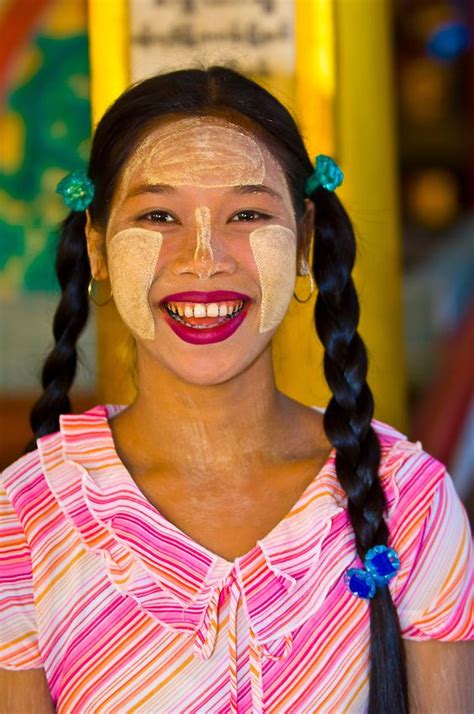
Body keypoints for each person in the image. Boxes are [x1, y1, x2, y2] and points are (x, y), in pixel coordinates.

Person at [0, 67, 472, 714]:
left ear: (305, 240)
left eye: (247, 214)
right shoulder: (25, 516)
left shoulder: (410, 501)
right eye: (158, 215)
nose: (205, 257)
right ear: (98, 247)